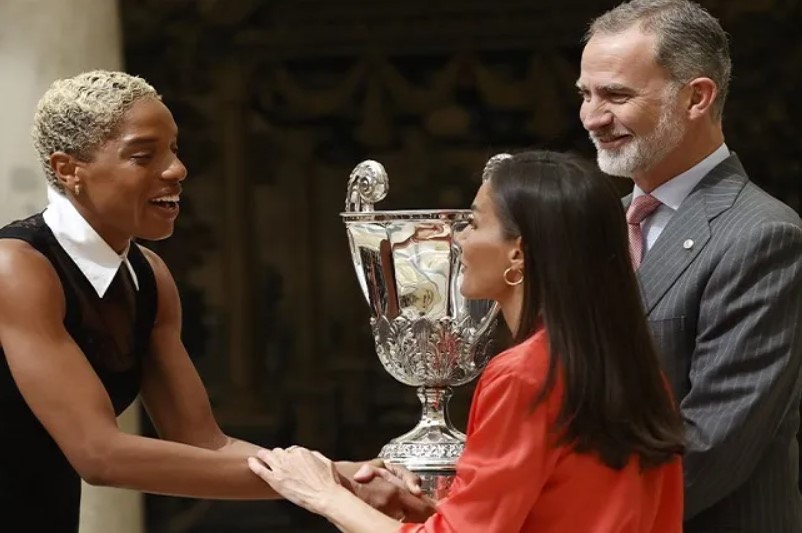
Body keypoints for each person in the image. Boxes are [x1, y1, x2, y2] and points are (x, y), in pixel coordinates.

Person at [0, 70, 425, 532]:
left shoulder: (149, 276)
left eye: (174, 149)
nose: (176, 170)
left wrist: (341, 475)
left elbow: (203, 442)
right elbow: (100, 455)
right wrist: (333, 481)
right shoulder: (15, 268)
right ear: (68, 170)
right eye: (143, 155)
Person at [247, 150, 686, 532]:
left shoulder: (525, 374)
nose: (458, 239)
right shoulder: (634, 368)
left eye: (473, 224)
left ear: (518, 251)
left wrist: (324, 495)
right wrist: (432, 511)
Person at [577, 1, 802, 530]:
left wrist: (563, 516)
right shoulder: (597, 229)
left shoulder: (762, 235)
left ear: (696, 97)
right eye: (585, 95)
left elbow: (713, 444)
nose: (592, 117)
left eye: (616, 95)